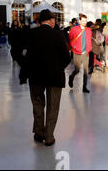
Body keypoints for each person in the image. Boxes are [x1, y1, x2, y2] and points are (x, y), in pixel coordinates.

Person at [19, 10, 71, 146]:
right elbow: (67, 57)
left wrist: (25, 72)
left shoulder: (31, 34)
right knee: (53, 106)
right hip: (54, 77)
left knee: (37, 104)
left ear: (40, 21)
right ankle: (49, 137)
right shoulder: (58, 34)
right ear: (51, 21)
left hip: (35, 76)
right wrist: (58, 68)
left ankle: (39, 132)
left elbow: (24, 55)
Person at [68, 14, 92, 93]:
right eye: (83, 21)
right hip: (77, 53)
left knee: (85, 71)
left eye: (86, 21)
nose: (85, 22)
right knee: (77, 70)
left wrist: (89, 49)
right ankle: (71, 77)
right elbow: (70, 38)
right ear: (80, 21)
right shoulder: (74, 29)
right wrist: (73, 47)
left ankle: (84, 87)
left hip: (86, 53)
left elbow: (89, 40)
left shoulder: (89, 30)